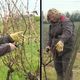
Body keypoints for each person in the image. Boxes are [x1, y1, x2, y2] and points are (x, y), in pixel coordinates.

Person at [46, 8, 75, 80]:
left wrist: (61, 41)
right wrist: (48, 45)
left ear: (56, 14)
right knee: (58, 68)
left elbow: (68, 32)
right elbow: (51, 36)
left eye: (52, 17)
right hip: (55, 49)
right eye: (50, 17)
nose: (51, 19)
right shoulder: (52, 24)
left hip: (67, 48)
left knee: (66, 68)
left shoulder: (65, 21)